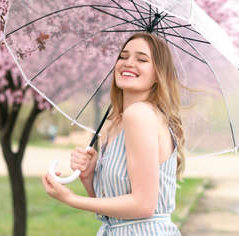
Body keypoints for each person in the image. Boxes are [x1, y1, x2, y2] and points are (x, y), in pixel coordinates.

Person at [42, 32, 186, 235]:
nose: (128, 63)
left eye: (142, 59)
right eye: (123, 56)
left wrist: (70, 199)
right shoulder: (113, 124)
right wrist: (88, 176)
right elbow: (111, 212)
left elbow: (143, 205)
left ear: (157, 74)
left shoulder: (140, 115)